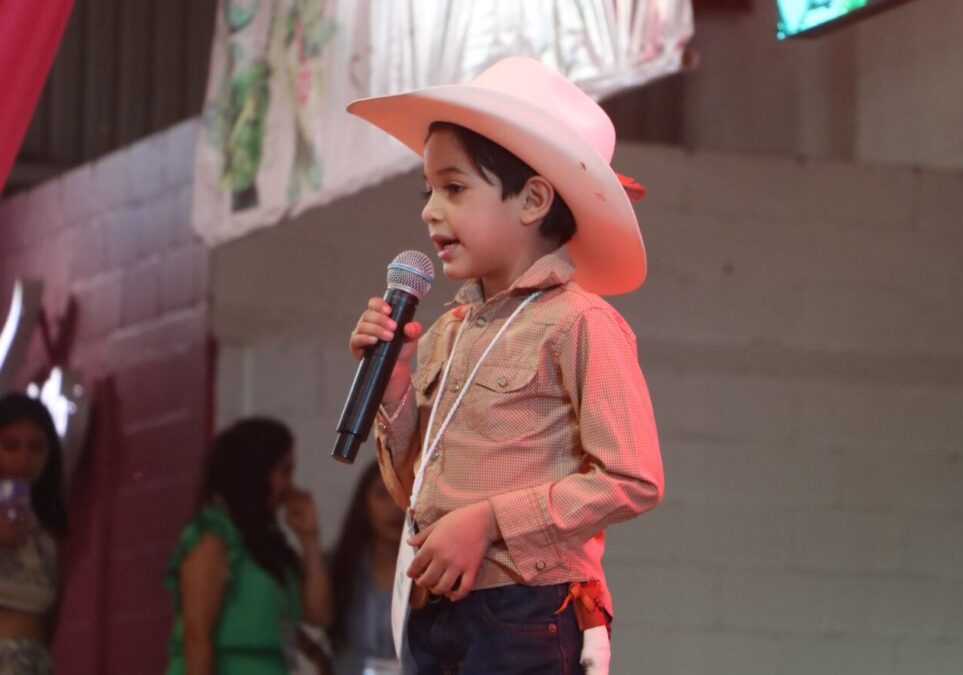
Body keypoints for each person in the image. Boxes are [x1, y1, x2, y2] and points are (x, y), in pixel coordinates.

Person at [345, 56, 664, 674]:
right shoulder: (447, 331)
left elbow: (635, 477)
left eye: (455, 188)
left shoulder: (579, 322)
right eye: (428, 190)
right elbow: (417, 488)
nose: (430, 211)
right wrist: (396, 385)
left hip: (525, 607)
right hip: (435, 608)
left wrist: (490, 521)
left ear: (534, 199)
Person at [164, 417, 332, 675]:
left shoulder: (267, 547)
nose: (290, 484)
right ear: (256, 470)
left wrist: (309, 538)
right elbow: (196, 636)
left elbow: (318, 614)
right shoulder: (213, 535)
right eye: (284, 471)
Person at [0, 393, 68, 675]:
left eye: (36, 448)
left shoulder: (48, 531)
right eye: (10, 446)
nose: (22, 459)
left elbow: (51, 621)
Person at [328, 460, 404, 673]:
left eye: (402, 496)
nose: (395, 507)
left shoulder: (429, 572)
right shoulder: (340, 565)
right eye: (383, 495)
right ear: (364, 503)